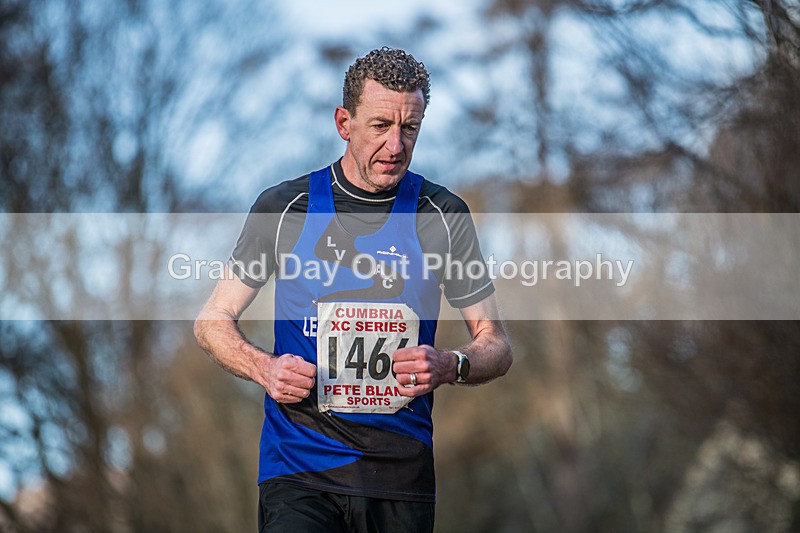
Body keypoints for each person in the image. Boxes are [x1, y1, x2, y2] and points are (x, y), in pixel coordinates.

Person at [194, 47, 512, 532]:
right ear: (344, 123)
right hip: (300, 468)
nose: (396, 145)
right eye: (380, 125)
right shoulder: (286, 208)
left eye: (410, 128)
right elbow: (212, 321)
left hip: (400, 479)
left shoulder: (442, 215)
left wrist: (451, 364)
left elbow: (497, 344)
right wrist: (265, 368)